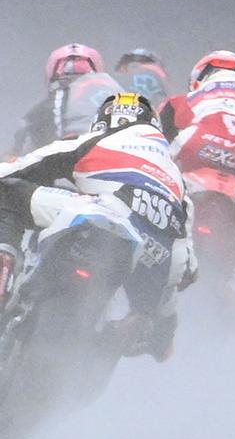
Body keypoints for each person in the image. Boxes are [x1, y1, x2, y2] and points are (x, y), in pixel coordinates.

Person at [0, 93, 196, 359]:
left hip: (102, 216)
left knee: (6, 191)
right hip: (155, 258)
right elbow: (189, 269)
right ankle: (124, 337)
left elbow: (19, 170)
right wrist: (159, 325)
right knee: (156, 318)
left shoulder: (98, 140)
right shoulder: (177, 180)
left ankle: (3, 277)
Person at [159, 50, 235, 264]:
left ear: (198, 79)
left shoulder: (187, 99)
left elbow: (159, 135)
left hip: (198, 147)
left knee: (157, 176)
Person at [10, 43, 121, 156]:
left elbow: (24, 147)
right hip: (121, 157)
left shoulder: (52, 103)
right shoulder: (116, 90)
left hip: (73, 161)